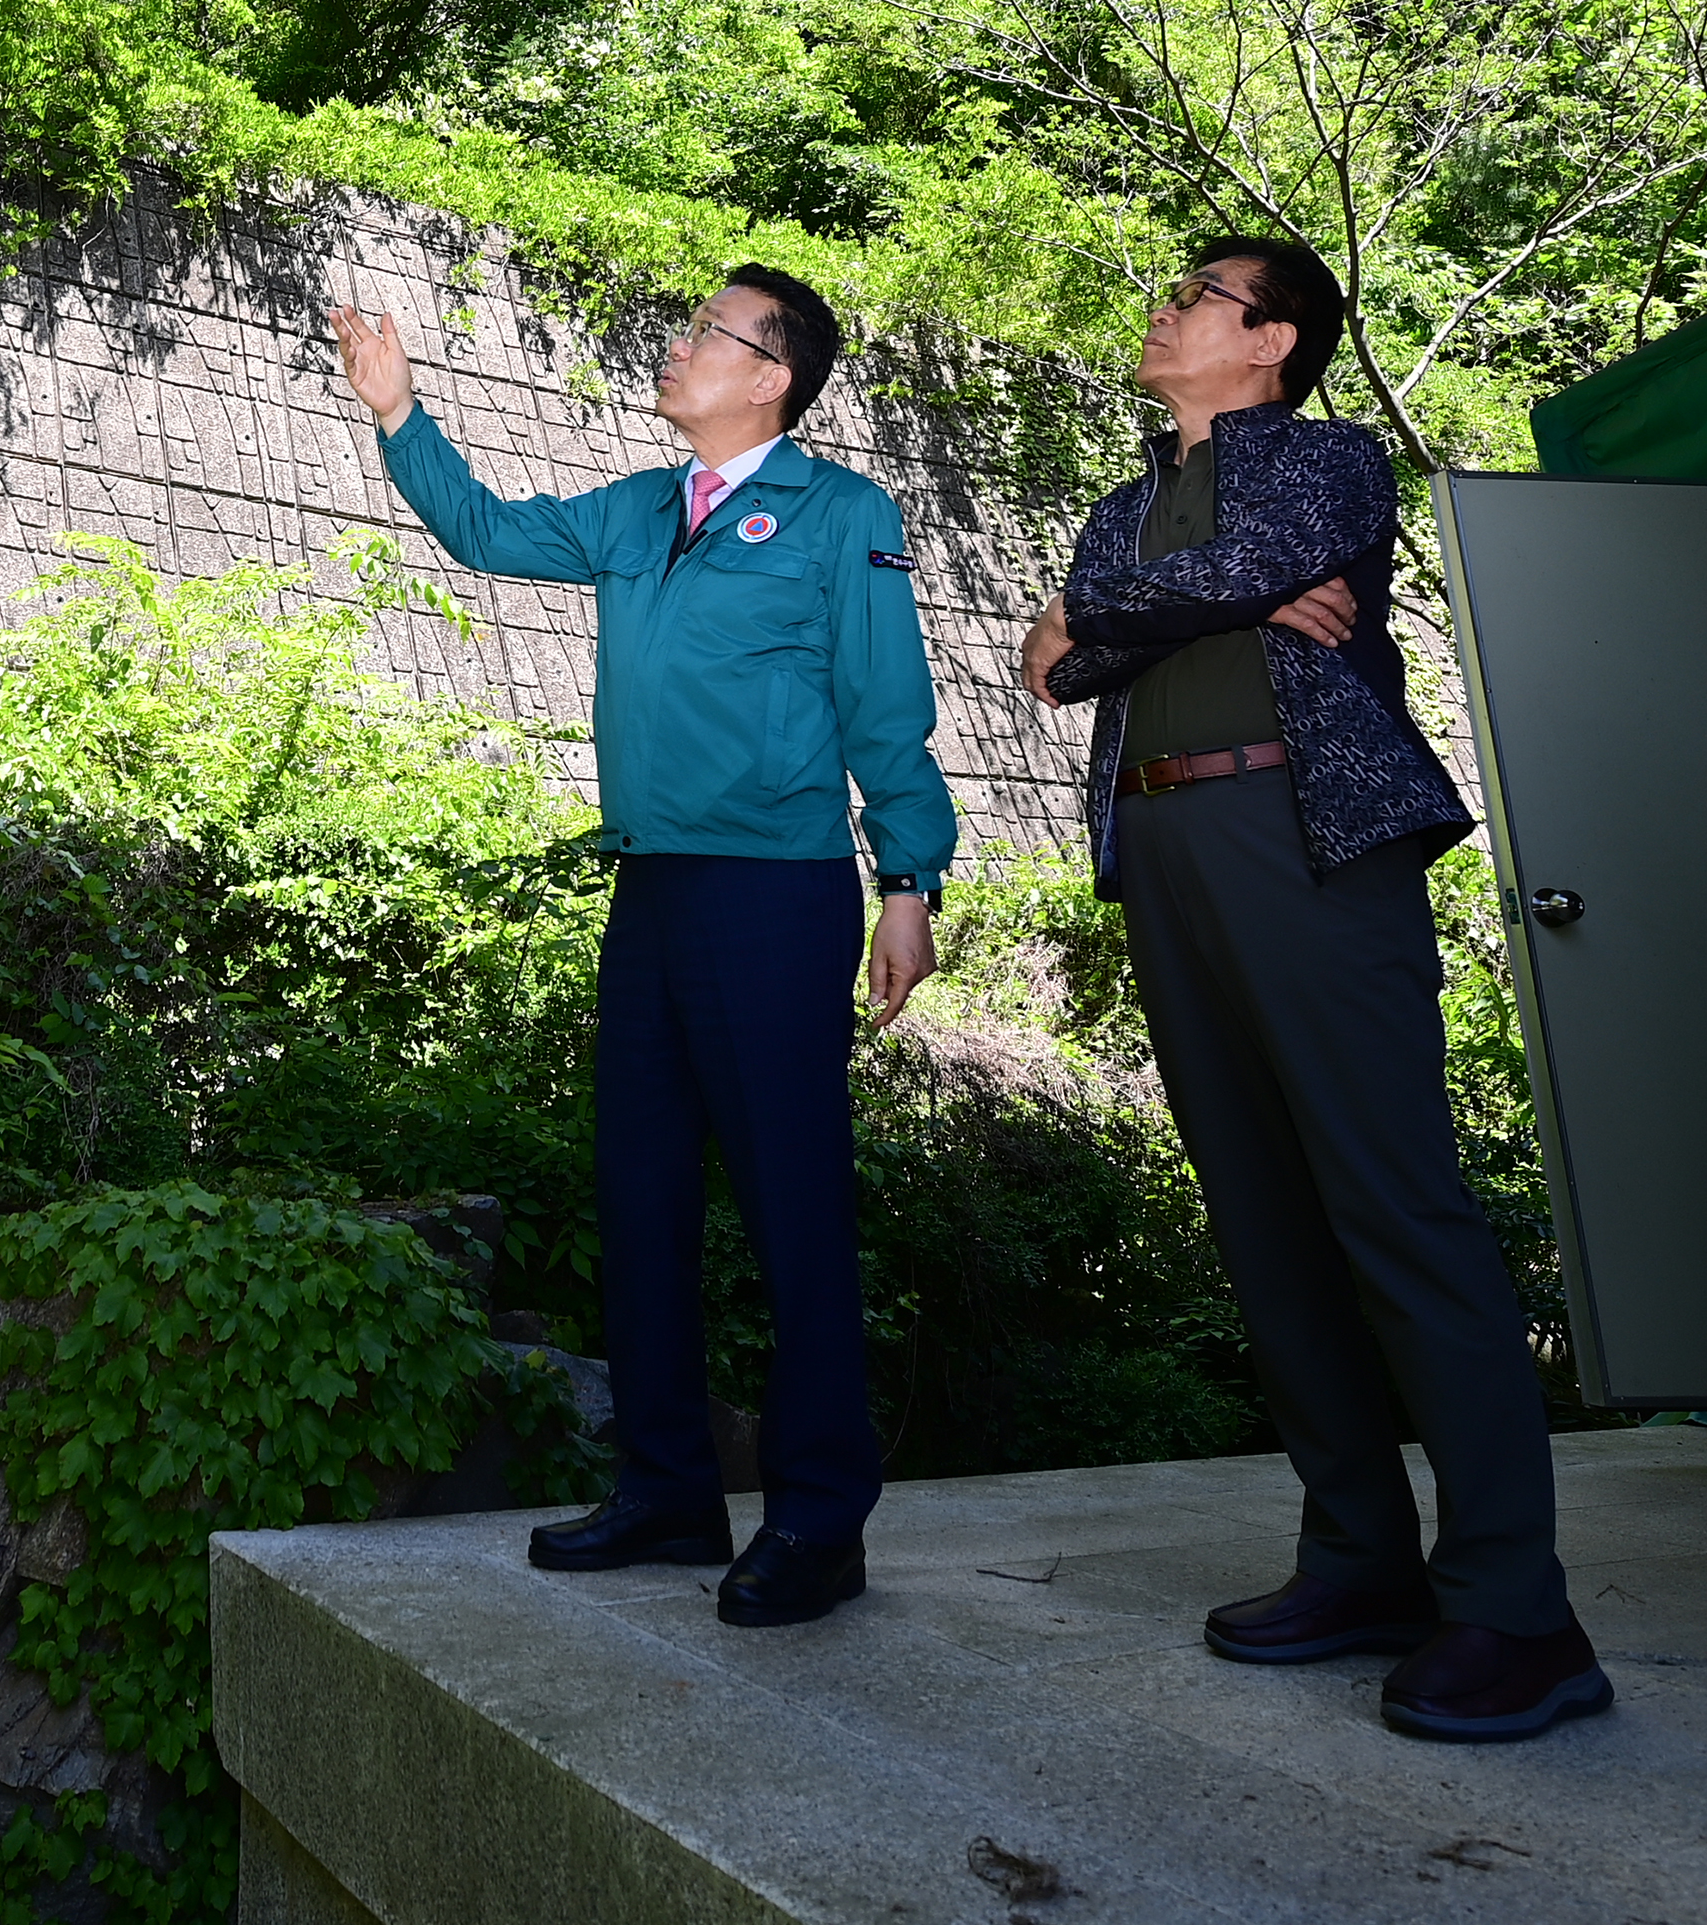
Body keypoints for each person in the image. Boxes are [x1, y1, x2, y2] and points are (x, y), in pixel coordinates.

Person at [1015, 237, 1602, 1744]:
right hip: (1158, 836)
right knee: (1258, 1214)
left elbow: (1168, 599)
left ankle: (1516, 1611)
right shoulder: (1120, 499)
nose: (1162, 307)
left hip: (1305, 828)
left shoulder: (1328, 459)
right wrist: (1198, 607)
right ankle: (1358, 1560)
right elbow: (1056, 657)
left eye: (1198, 295)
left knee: (1394, 1204)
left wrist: (1163, 608)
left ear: (1272, 342)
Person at [327, 266, 952, 1629]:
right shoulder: (637, 509)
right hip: (654, 894)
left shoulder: (843, 515)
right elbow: (487, 529)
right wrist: (399, 414)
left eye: (706, 336)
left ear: (772, 374)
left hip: (777, 897)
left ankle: (817, 1521)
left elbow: (885, 704)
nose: (676, 352)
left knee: (792, 1205)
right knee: (644, 1194)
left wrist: (909, 876)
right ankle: (669, 1489)